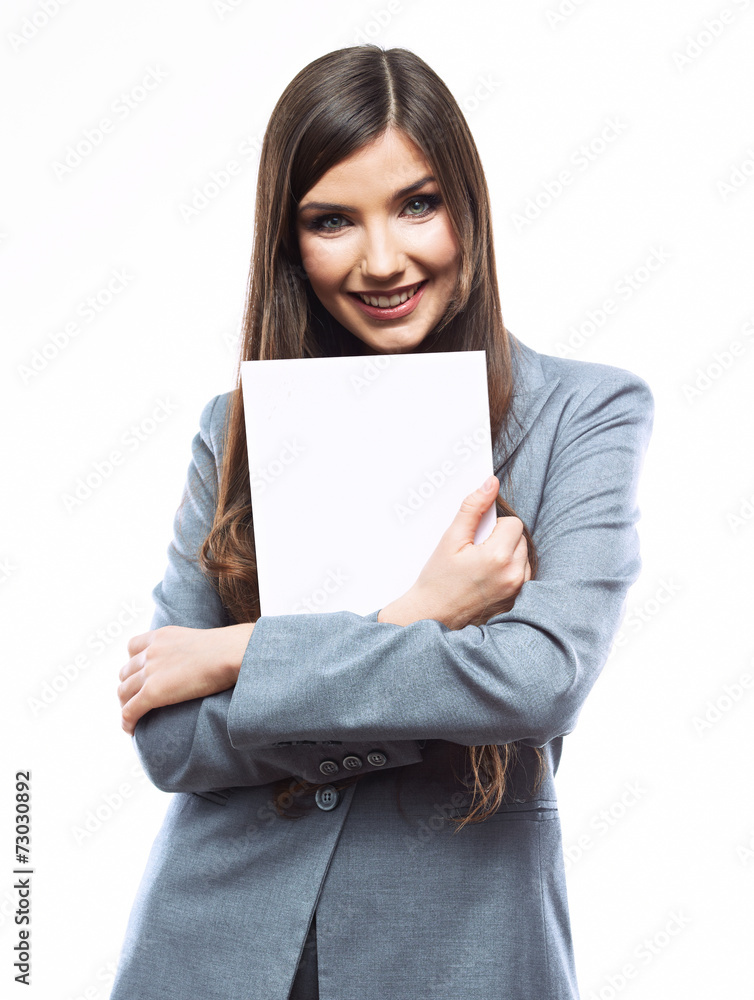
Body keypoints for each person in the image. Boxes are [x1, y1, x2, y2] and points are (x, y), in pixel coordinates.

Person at [111, 45, 654, 1000]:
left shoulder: (585, 413)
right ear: (289, 240)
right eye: (331, 220)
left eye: (417, 204)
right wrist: (421, 616)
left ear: (469, 208)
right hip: (212, 947)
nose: (382, 260)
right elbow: (169, 742)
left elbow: (540, 680)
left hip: (459, 950)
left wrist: (240, 654)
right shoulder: (230, 428)